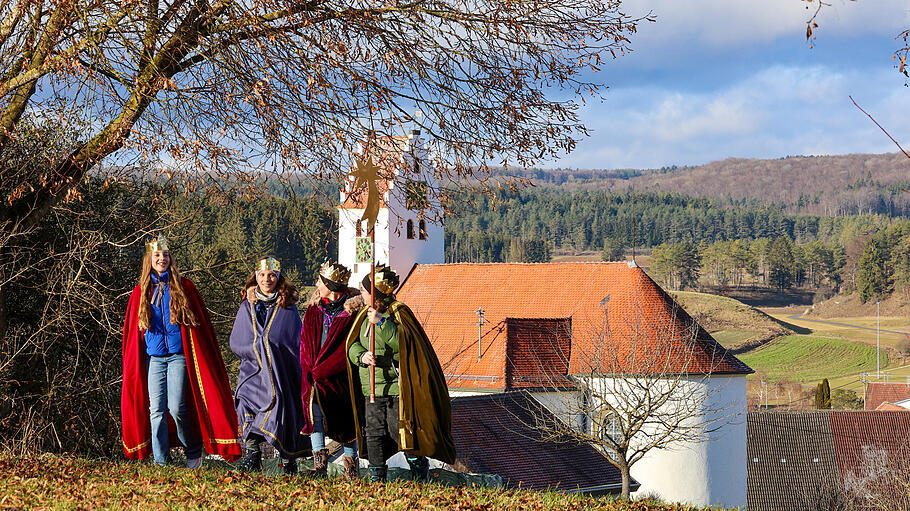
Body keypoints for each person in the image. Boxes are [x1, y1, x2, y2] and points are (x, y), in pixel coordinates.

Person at [121, 235, 241, 466]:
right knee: (155, 411)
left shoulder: (184, 287)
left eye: (165, 255)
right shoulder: (140, 292)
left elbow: (199, 326)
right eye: (157, 255)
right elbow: (133, 335)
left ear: (170, 258)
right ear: (149, 259)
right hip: (154, 359)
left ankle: (193, 452)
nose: (162, 259)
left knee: (177, 407)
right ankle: (161, 462)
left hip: (179, 357)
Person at [345, 265, 455, 482]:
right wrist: (361, 356)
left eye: (365, 291)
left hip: (397, 387)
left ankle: (419, 473)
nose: (362, 295)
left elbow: (403, 345)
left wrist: (382, 323)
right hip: (372, 387)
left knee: (400, 432)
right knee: (374, 434)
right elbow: (352, 344)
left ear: (375, 293)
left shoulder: (398, 312)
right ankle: (377, 479)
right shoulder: (362, 315)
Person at [230, 256, 307, 474]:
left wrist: (272, 346)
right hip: (253, 370)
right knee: (245, 402)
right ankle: (252, 455)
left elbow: (293, 339)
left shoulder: (287, 307)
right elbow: (238, 339)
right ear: (256, 276)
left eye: (272, 275)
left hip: (279, 371)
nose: (267, 279)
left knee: (280, 406)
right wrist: (259, 347)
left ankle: (287, 459)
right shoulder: (247, 305)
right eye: (262, 275)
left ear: (278, 277)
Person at [300, 261, 363, 479]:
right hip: (314, 375)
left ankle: (350, 468)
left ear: (330, 285)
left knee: (346, 422)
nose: (317, 284)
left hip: (341, 377)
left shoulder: (352, 313)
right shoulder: (314, 309)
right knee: (315, 416)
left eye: (320, 281)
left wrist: (327, 368)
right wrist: (310, 367)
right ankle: (319, 465)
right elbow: (306, 341)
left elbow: (347, 346)